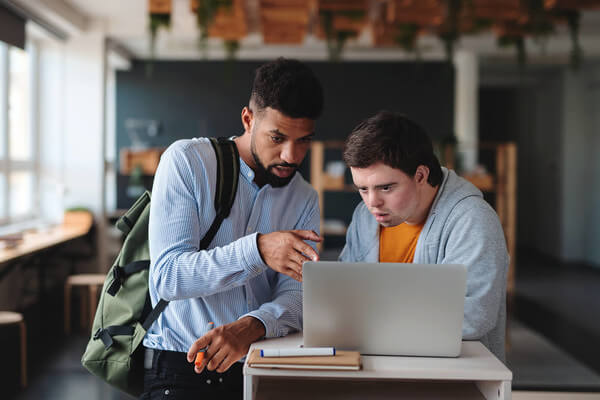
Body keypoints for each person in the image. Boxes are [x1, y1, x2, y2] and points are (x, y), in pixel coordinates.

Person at [141, 58, 324, 400]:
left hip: (263, 365)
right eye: (278, 137)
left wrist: (250, 327)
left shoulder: (305, 198)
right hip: (181, 367)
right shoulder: (187, 162)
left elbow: (299, 294)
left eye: (303, 141)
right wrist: (257, 250)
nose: (291, 155)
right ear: (248, 119)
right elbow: (168, 276)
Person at [339, 111, 509, 361]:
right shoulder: (365, 217)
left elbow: (473, 317)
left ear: (420, 175)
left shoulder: (473, 219)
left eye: (386, 187)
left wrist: (370, 319)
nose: (372, 202)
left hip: (453, 375)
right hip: (375, 364)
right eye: (363, 189)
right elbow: (344, 292)